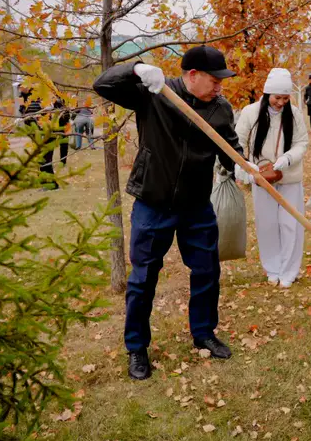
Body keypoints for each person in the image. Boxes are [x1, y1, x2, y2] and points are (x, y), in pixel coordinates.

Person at [92, 45, 242, 380]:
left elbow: (229, 146)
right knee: (143, 279)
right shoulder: (155, 93)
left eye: (222, 79)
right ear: (192, 75)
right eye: (215, 79)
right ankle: (137, 348)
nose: (220, 85)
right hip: (152, 201)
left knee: (206, 271)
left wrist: (242, 167)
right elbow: (102, 84)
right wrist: (135, 70)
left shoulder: (220, 108)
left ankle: (203, 333)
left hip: (196, 206)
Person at [235, 68, 308, 288]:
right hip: (261, 178)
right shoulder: (250, 112)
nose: (281, 102)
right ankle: (273, 268)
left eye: (286, 98)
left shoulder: (294, 113)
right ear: (267, 94)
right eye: (277, 97)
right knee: (267, 225)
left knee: (290, 224)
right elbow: (237, 143)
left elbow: (302, 142)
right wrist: (246, 170)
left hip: (289, 177)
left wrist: (287, 158)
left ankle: (289, 270)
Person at [19, 85, 68, 190]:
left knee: (45, 158)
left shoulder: (46, 96)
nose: (20, 88)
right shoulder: (27, 98)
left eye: (21, 86)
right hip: (38, 132)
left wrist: (53, 108)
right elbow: (27, 115)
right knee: (41, 158)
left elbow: (63, 110)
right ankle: (44, 182)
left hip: (49, 131)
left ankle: (51, 184)